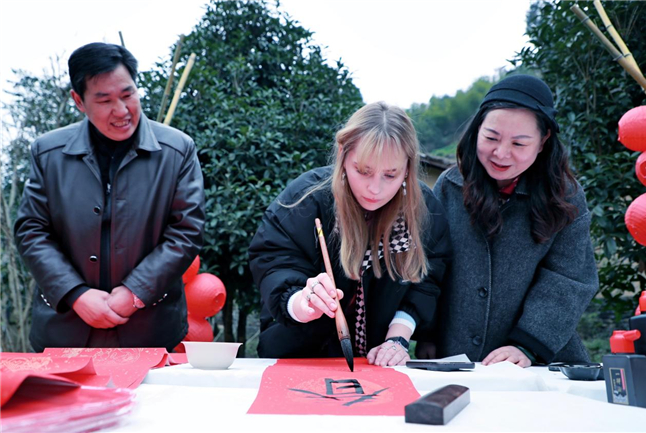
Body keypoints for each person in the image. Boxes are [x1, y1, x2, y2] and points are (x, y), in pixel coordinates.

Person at [14, 42, 205, 351]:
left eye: (128, 95)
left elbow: (187, 231)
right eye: (104, 100)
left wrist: (135, 292)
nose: (121, 111)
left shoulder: (177, 150)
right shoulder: (47, 153)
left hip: (151, 329)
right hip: (64, 330)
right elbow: (31, 231)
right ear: (79, 101)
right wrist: (75, 293)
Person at [249, 102, 451, 366]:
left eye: (391, 175)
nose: (375, 188)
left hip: (376, 363)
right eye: (363, 171)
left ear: (408, 167)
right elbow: (273, 259)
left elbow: (428, 278)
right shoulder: (306, 200)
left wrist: (397, 338)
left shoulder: (423, 210)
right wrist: (302, 301)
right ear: (343, 153)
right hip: (298, 356)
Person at [416, 74, 599, 367]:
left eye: (519, 143)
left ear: (543, 142)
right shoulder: (449, 188)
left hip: (539, 362)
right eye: (491, 137)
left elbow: (570, 279)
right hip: (455, 355)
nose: (501, 153)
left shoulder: (565, 198)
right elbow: (432, 266)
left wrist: (526, 345)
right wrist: (428, 333)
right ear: (477, 130)